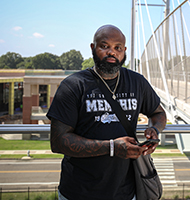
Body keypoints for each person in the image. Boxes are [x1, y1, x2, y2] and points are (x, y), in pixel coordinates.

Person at [47, 24, 166, 200]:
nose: (112, 52)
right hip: (78, 192)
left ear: (124, 51)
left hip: (126, 191)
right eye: (105, 46)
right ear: (93, 48)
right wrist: (112, 147)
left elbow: (159, 113)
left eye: (118, 48)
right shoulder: (73, 85)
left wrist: (154, 129)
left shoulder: (137, 82)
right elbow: (58, 142)